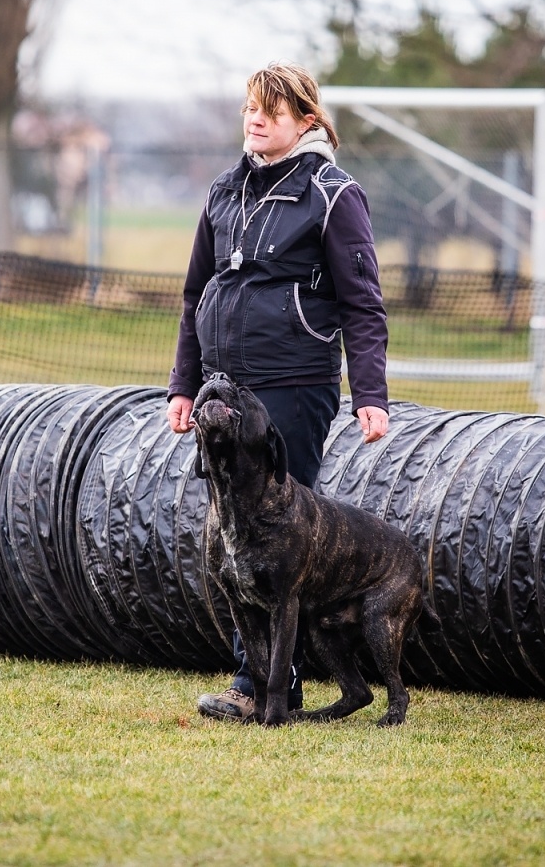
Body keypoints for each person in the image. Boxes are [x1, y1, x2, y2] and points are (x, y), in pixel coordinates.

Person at [167, 61, 390, 721]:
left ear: (307, 121)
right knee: (234, 535)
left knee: (277, 536)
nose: (256, 119)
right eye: (250, 107)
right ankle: (266, 676)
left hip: (294, 384)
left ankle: (258, 682)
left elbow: (363, 305)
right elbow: (193, 295)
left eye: (273, 110)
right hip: (221, 387)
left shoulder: (333, 193)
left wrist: (369, 393)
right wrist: (184, 385)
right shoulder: (222, 192)